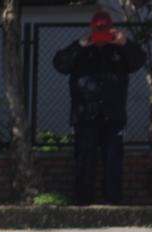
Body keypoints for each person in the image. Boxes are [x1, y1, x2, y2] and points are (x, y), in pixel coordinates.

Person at [53, 10, 146, 205]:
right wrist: (81, 44)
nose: (102, 32)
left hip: (113, 116)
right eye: (98, 29)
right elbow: (60, 64)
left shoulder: (119, 51)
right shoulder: (82, 51)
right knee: (85, 161)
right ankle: (83, 202)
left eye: (105, 29)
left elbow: (139, 61)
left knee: (113, 160)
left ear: (111, 28)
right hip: (86, 116)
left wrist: (124, 43)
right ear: (92, 28)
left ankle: (113, 202)